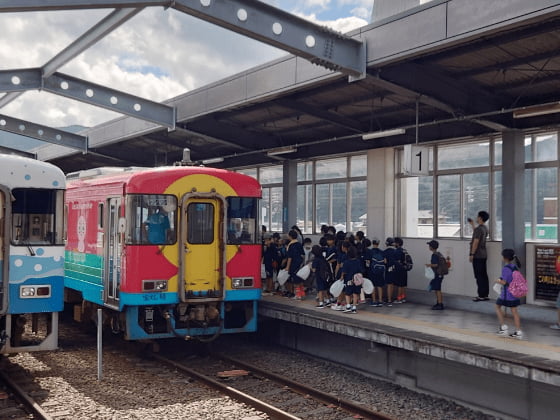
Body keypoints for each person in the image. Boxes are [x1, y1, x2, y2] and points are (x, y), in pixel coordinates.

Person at [494, 249, 523, 339]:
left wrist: (497, 280)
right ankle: (518, 331)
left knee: (497, 307)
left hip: (507, 294)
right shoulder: (514, 267)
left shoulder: (506, 268)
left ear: (505, 258)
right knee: (515, 312)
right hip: (515, 293)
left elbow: (505, 282)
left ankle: (503, 328)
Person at [469, 210, 490, 301]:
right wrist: (472, 225)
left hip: (477, 255)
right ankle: (485, 294)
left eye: (477, 217)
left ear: (480, 218)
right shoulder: (484, 228)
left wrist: (472, 254)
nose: (476, 218)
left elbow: (475, 242)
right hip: (483, 254)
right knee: (483, 275)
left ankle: (480, 295)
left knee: (478, 276)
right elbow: (477, 234)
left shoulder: (479, 229)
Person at [340, 245, 362, 314]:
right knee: (355, 293)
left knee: (348, 293)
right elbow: (360, 270)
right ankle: (354, 307)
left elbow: (344, 271)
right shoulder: (358, 261)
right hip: (357, 280)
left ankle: (348, 306)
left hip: (349, 279)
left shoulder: (346, 262)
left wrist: (342, 276)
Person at [285, 229, 305, 300]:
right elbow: (303, 255)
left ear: (290, 236)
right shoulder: (299, 244)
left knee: (295, 280)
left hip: (293, 264)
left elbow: (290, 257)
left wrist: (287, 266)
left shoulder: (291, 245)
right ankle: (302, 294)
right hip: (300, 264)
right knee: (300, 279)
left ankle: (298, 295)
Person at [426, 240, 445, 310]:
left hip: (437, 274)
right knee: (437, 289)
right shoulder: (439, 254)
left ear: (431, 247)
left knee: (438, 289)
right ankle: (438, 302)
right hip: (440, 274)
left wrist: (429, 265)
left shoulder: (434, 255)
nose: (429, 247)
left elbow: (436, 264)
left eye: (429, 245)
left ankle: (440, 304)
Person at [368, 237, 386, 307]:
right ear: (378, 244)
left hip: (372, 270)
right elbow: (385, 261)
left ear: (372, 243)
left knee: (373, 286)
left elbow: (368, 262)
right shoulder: (382, 252)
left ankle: (374, 300)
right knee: (379, 286)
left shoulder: (370, 252)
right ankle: (380, 300)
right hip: (380, 271)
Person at [383, 237, 397, 306]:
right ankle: (391, 298)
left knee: (389, 284)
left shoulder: (385, 252)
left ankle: (389, 300)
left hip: (388, 269)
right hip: (394, 269)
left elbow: (385, 261)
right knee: (392, 284)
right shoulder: (395, 251)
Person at [393, 237, 408, 304]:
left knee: (399, 285)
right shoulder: (404, 250)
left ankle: (399, 299)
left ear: (397, 243)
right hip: (404, 269)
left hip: (399, 269)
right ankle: (403, 298)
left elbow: (396, 261)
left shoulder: (397, 251)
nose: (394, 244)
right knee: (403, 285)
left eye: (395, 242)